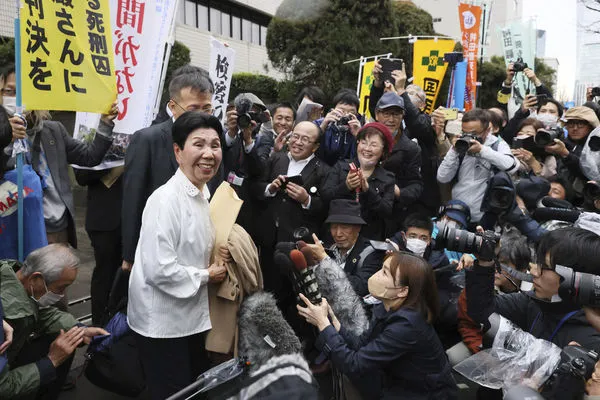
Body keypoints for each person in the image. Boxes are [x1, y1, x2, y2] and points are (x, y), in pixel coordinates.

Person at [127, 112, 228, 400]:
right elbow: (159, 269)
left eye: (215, 145)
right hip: (162, 323)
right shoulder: (165, 200)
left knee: (192, 388)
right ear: (177, 151)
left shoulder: (203, 193)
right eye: (199, 144)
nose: (209, 154)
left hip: (190, 316)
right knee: (173, 392)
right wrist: (207, 275)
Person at [297, 252, 457, 399]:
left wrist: (323, 324)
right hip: (399, 383)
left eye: (385, 273)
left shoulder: (406, 325)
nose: (377, 275)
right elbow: (362, 345)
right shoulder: (386, 307)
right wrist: (334, 323)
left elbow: (355, 364)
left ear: (402, 291)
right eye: (382, 268)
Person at [2, 64, 118, 248]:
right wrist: (5, 134)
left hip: (57, 228)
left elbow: (89, 157)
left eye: (24, 91)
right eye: (9, 91)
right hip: (17, 229)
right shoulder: (2, 137)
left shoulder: (53, 130)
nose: (16, 98)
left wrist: (104, 123)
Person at [121, 70, 214, 272]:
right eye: (193, 109)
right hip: (157, 246)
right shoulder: (147, 139)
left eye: (207, 109)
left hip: (198, 246)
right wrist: (129, 254)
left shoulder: (213, 141)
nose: (201, 116)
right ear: (173, 106)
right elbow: (133, 198)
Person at [466, 227, 600, 353]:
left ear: (577, 278)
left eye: (545, 266)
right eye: (537, 262)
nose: (534, 271)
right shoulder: (536, 303)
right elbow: (481, 308)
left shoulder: (592, 342)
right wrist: (485, 263)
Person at [0, 244, 107, 399]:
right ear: (36, 279)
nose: (62, 295)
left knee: (66, 338)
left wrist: (79, 330)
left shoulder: (16, 279)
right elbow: (3, 388)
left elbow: (43, 314)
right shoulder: (7, 315)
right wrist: (51, 361)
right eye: (61, 288)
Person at [254, 121, 330, 296]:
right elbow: (254, 186)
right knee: (267, 289)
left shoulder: (324, 170)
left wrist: (307, 199)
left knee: (294, 294)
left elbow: (326, 206)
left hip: (297, 243)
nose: (298, 142)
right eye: (295, 136)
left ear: (315, 146)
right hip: (268, 240)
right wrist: (270, 189)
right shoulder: (275, 158)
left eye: (305, 139)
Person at [437, 108, 519, 224]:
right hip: (458, 213)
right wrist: (454, 150)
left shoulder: (497, 144)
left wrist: (482, 150)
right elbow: (442, 177)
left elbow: (511, 166)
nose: (469, 137)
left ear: (487, 130)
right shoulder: (460, 144)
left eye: (474, 133)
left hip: (487, 215)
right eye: (465, 132)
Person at [322, 122, 395, 240]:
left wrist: (368, 190)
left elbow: (386, 211)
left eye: (374, 145)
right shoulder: (341, 167)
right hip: (336, 235)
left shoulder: (387, 177)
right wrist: (346, 186)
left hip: (368, 238)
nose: (367, 149)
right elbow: (325, 197)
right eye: (363, 143)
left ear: (383, 150)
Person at [74, 166, 123, 326]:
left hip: (139, 214)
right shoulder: (92, 141)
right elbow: (82, 176)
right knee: (105, 276)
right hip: (105, 218)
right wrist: (112, 156)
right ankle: (100, 332)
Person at [312, 199, 385, 297]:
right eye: (334, 227)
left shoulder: (372, 253)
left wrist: (326, 261)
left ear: (358, 228)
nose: (338, 234)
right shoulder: (328, 250)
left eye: (344, 227)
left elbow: (360, 288)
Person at [545, 106, 600, 204]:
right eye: (570, 124)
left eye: (580, 124)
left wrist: (565, 154)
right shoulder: (560, 143)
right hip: (557, 198)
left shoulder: (595, 146)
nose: (575, 128)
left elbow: (589, 172)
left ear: (591, 126)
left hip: (587, 202)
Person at [316, 89, 362, 166]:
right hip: (320, 168)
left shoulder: (362, 128)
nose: (345, 115)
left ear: (357, 114)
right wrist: (323, 127)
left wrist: (359, 136)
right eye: (342, 110)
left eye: (351, 112)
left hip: (348, 172)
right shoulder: (320, 123)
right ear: (333, 109)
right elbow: (309, 145)